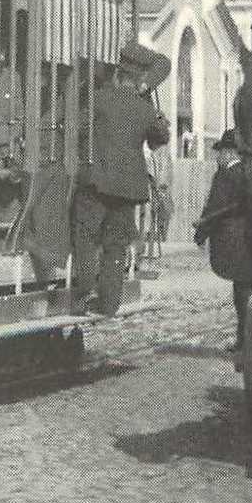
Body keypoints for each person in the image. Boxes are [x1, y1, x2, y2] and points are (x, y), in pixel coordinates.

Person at [72, 40, 172, 316]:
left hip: (96, 182)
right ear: (140, 78)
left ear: (118, 73)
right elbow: (160, 138)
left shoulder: (100, 99)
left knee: (85, 237)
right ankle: (108, 304)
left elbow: (79, 128)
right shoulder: (145, 110)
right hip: (128, 190)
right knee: (115, 246)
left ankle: (80, 296)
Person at [193, 128, 252, 351]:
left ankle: (245, 341)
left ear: (229, 153)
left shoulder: (224, 176)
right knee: (250, 291)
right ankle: (249, 338)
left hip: (233, 244)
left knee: (241, 294)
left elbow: (214, 207)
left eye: (220, 152)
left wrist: (201, 234)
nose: (218, 157)